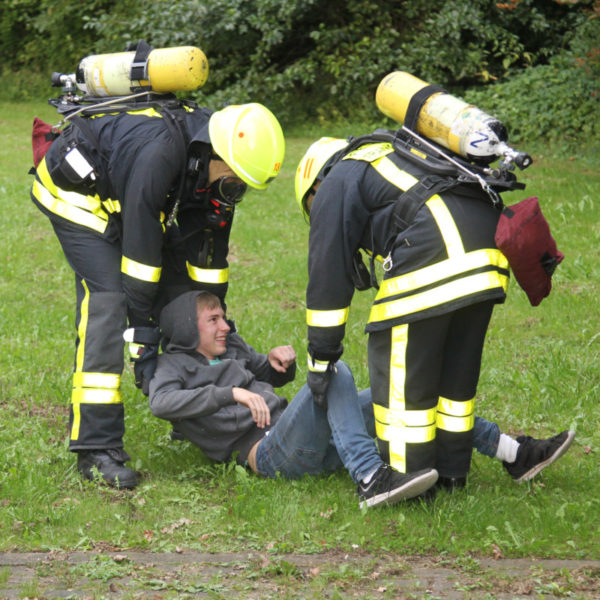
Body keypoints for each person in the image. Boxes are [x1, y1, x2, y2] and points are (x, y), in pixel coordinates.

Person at [29, 98, 285, 489]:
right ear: (216, 153)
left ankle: (194, 406)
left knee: (188, 296)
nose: (233, 192)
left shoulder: (210, 165)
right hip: (77, 196)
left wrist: (215, 318)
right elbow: (140, 262)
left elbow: (208, 259)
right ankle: (96, 446)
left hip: (128, 197)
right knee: (110, 299)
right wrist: (144, 342)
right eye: (233, 181)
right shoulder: (158, 155)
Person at [294, 135, 574, 490]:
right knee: (453, 383)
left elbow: (328, 279)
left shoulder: (336, 183)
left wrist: (321, 358)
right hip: (487, 256)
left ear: (315, 185)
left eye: (312, 206)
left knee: (402, 377)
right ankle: (451, 476)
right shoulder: (393, 156)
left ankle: (405, 481)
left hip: (435, 253)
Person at [149, 291, 574, 508]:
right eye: (214, 319)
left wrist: (280, 363)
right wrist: (232, 392)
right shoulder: (173, 368)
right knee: (332, 370)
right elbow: (161, 403)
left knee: (399, 397)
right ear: (189, 329)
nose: (224, 324)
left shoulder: (231, 348)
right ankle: (371, 478)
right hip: (271, 454)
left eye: (223, 316)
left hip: (308, 439)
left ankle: (515, 452)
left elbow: (268, 373)